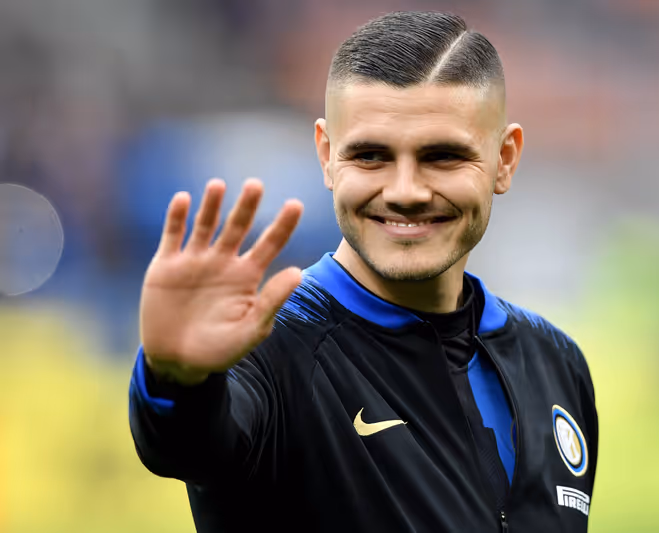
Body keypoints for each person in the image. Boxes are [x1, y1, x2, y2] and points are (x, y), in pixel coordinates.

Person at [128, 11, 598, 533]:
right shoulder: (269, 351)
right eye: (371, 156)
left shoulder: (556, 363)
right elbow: (187, 443)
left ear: (504, 159)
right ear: (327, 157)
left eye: (442, 156)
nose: (405, 191)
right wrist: (176, 380)